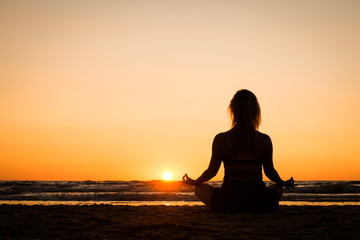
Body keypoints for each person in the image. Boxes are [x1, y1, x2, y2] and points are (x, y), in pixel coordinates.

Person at [182, 89, 295, 213]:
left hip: (227, 202)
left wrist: (195, 182)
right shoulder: (264, 140)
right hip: (259, 202)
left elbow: (212, 171)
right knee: (278, 188)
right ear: (255, 111)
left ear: (233, 110)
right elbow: (269, 171)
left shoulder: (221, 139)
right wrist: (283, 183)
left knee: (199, 188)